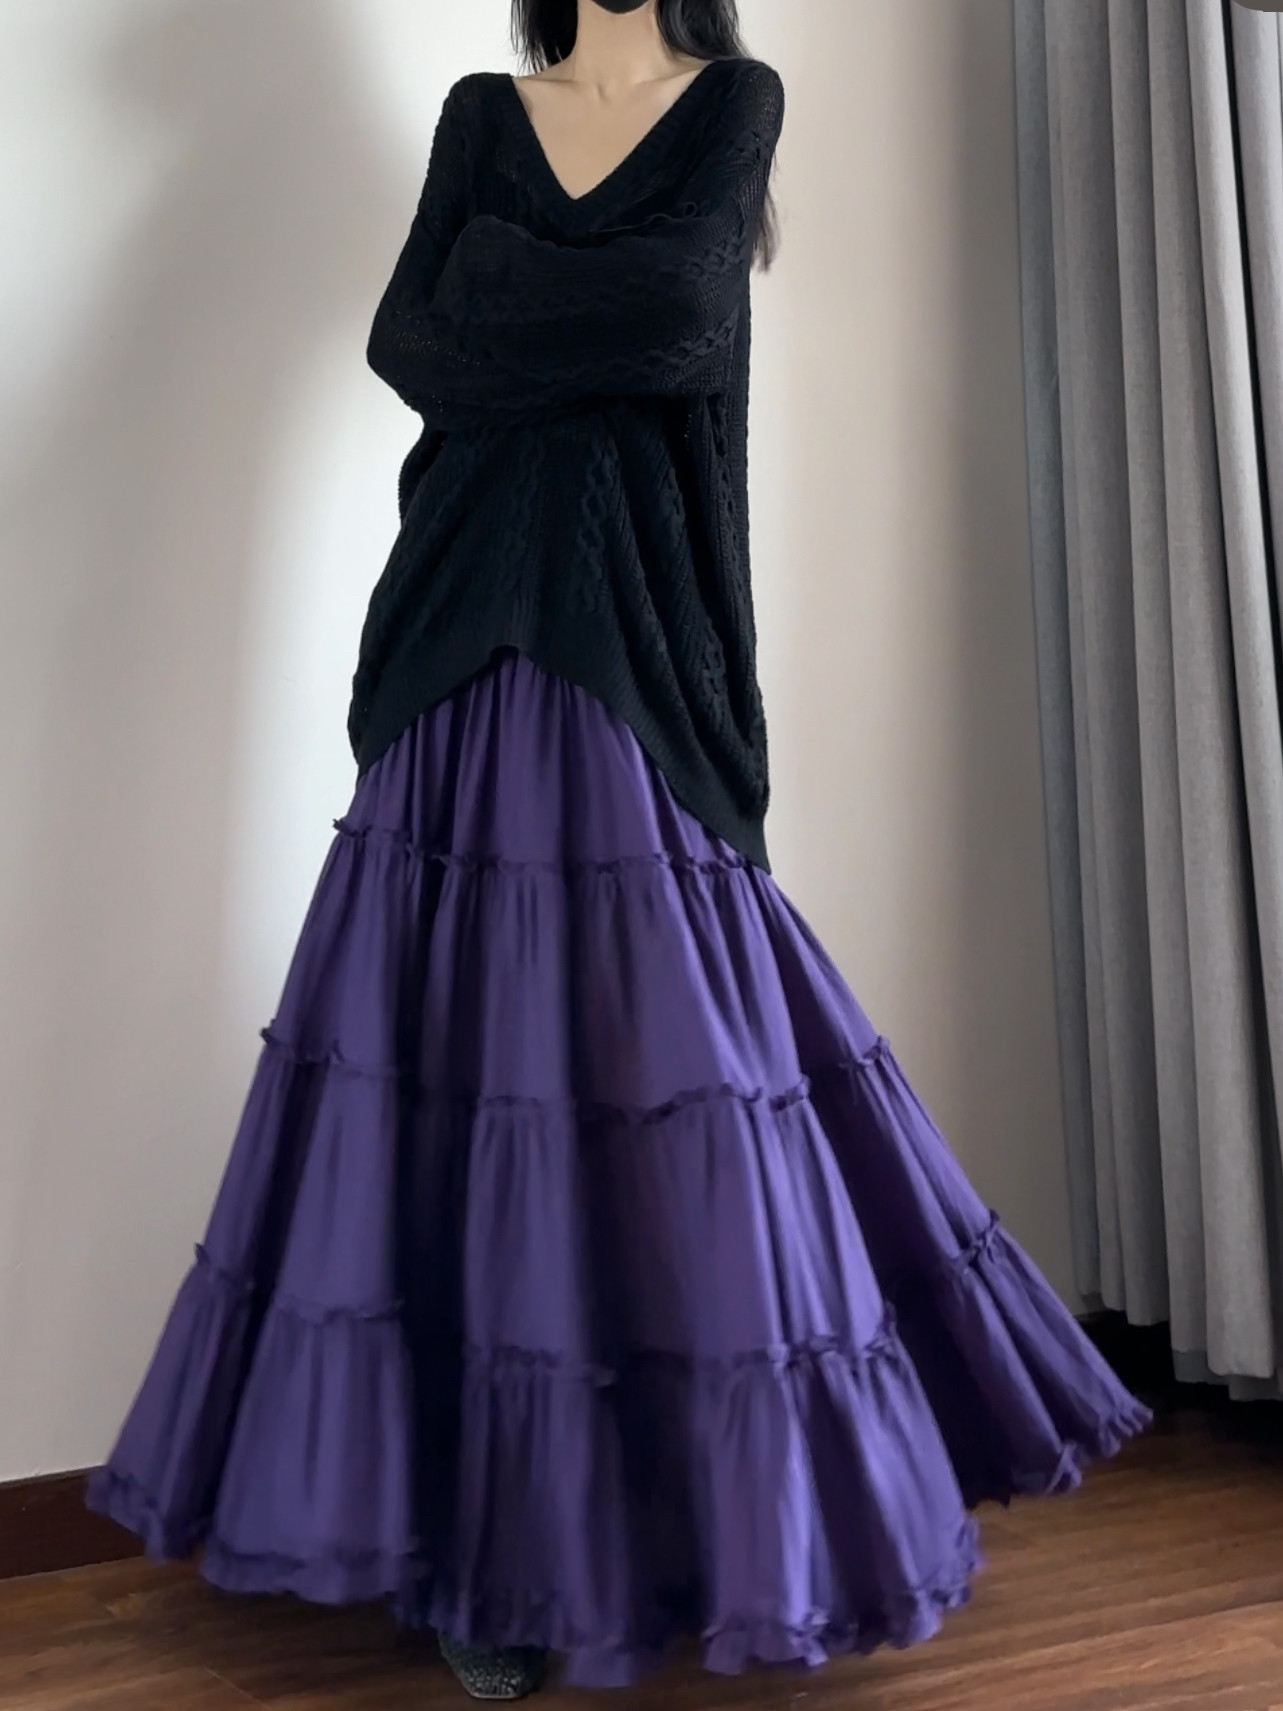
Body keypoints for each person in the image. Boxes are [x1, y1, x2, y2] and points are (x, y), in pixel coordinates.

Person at [87, 0, 1152, 1702]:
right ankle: (488, 1555)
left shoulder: (736, 102)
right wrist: (557, 302)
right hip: (451, 627)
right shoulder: (478, 114)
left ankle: (711, 1519)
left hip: (641, 642)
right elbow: (410, 346)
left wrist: (504, 280)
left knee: (678, 1065)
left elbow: (680, 319)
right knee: (455, 1073)